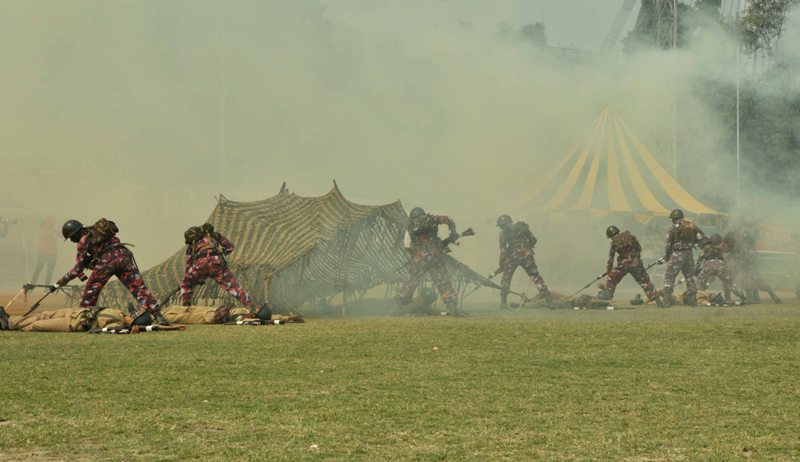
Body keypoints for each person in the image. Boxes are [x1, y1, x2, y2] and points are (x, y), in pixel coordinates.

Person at [53, 218, 170, 325]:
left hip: (108, 260)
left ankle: (83, 320)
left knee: (91, 289)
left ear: (75, 233)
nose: (72, 241)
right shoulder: (95, 232)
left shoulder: (83, 242)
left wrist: (61, 281)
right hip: (123, 256)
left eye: (71, 238)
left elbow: (78, 269)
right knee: (138, 288)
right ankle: (158, 316)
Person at [181, 223, 261, 313]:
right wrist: (220, 253)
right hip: (217, 264)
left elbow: (189, 264)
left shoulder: (191, 244)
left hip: (200, 265)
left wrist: (192, 278)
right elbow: (230, 247)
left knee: (185, 284)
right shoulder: (215, 236)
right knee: (234, 287)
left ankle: (185, 311)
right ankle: (253, 308)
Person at [397, 207, 462, 316]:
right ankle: (452, 306)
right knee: (443, 282)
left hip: (419, 257)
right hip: (435, 255)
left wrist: (416, 255)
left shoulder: (410, 227)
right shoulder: (433, 219)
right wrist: (453, 233)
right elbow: (450, 220)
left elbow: (407, 246)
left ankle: (398, 306)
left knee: (411, 282)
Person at [494, 214, 551, 309]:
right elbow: (534, 239)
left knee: (506, 279)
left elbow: (503, 250)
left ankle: (503, 304)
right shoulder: (522, 226)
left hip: (512, 257)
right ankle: (549, 301)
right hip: (526, 256)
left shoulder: (503, 234)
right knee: (536, 277)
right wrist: (527, 247)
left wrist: (501, 265)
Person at [599, 225, 662, 305]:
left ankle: (608, 296)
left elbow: (610, 259)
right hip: (636, 263)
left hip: (623, 265)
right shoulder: (631, 238)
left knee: (611, 279)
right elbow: (639, 248)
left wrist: (608, 271)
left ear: (611, 236)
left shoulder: (614, 243)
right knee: (645, 282)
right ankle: (657, 299)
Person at [724, 222, 781, 303]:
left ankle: (727, 299)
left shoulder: (738, 235)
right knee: (729, 280)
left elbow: (727, 249)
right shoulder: (735, 235)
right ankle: (772, 296)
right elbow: (727, 249)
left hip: (744, 262)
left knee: (729, 280)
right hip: (743, 262)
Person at [662, 209, 705, 307]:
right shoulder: (691, 226)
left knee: (669, 276)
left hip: (677, 254)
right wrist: (693, 242)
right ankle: (692, 300)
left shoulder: (672, 229)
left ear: (673, 218)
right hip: (689, 254)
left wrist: (667, 256)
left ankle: (667, 300)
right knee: (689, 277)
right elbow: (701, 236)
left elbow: (668, 245)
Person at [0, 304, 130, 332]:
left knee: (37, 325)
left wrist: (130, 331)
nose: (131, 317)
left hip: (72, 323)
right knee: (41, 315)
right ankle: (10, 321)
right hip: (75, 312)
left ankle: (9, 326)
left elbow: (115, 332)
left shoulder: (117, 325)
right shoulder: (119, 311)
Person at [695, 233, 746, 304]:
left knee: (700, 283)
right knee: (730, 283)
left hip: (708, 265)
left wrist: (696, 270)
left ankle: (697, 297)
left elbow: (700, 259)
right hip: (720, 265)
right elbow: (729, 252)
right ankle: (743, 297)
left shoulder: (706, 248)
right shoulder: (722, 247)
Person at [160, 304, 303, 325]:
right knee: (177, 308)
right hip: (208, 309)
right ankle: (156, 313)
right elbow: (270, 317)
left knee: (175, 317)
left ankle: (155, 316)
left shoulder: (246, 317)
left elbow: (266, 319)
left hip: (207, 316)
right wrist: (288, 318)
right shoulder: (249, 312)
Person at [30, 215, 58, 285]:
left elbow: (57, 236)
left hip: (52, 253)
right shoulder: (42, 229)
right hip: (43, 253)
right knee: (38, 270)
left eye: (52, 223)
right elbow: (50, 237)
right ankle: (32, 286)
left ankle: (46, 286)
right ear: (45, 223)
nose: (51, 224)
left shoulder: (53, 230)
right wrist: (55, 231)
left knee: (50, 271)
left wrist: (56, 231)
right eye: (50, 223)